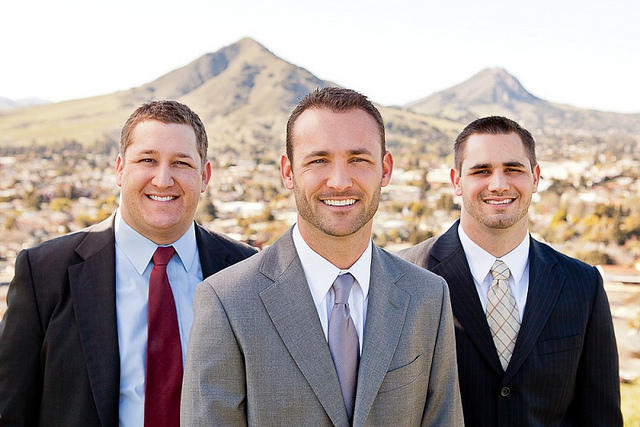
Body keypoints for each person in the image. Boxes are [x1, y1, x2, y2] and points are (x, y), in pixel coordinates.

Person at [180, 87, 464, 426]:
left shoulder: (428, 297)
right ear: (288, 172)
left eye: (358, 159)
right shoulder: (226, 302)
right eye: (319, 160)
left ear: (385, 169)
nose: (340, 181)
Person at [0, 100, 257, 426]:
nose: (163, 179)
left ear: (204, 176)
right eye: (147, 160)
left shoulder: (245, 272)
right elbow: (10, 411)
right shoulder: (44, 273)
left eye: (181, 163)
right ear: (120, 169)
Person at [398, 115, 622, 426]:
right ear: (456, 181)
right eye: (482, 171)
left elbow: (601, 417)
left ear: (535, 177)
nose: (499, 184)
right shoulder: (404, 275)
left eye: (513, 169)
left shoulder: (583, 285)